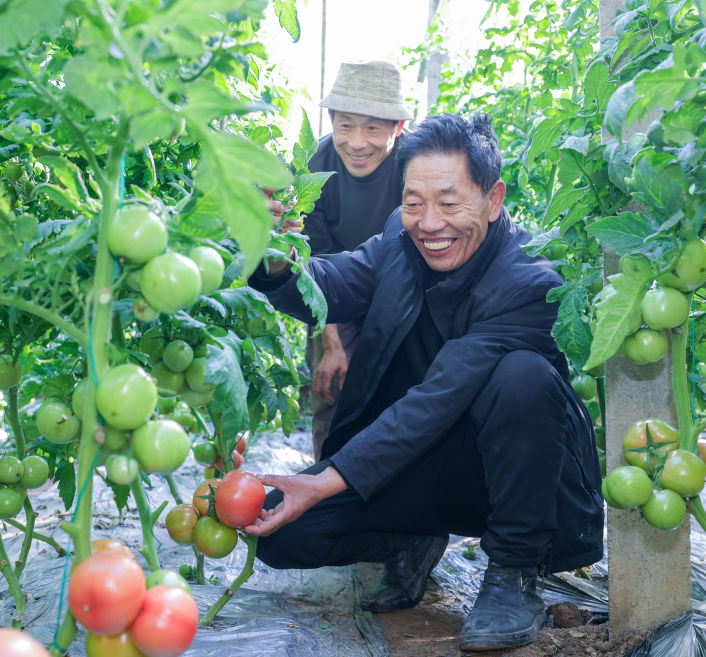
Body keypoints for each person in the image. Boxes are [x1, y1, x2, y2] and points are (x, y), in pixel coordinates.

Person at [246, 113, 603, 651]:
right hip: (418, 461)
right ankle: (411, 537)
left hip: (501, 477)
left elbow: (438, 400)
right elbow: (333, 283)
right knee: (285, 533)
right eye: (413, 202)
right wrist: (277, 258)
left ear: (493, 198)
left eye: (449, 202)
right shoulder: (400, 238)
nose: (429, 222)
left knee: (522, 377)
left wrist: (324, 480)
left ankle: (512, 572)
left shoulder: (530, 283)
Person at [303, 60, 412, 459]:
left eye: (373, 127)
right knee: (333, 389)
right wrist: (332, 344)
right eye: (346, 125)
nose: (357, 141)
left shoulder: (414, 165)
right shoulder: (318, 166)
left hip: (403, 291)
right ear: (331, 121)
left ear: (397, 129)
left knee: (403, 393)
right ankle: (326, 497)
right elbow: (312, 264)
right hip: (333, 292)